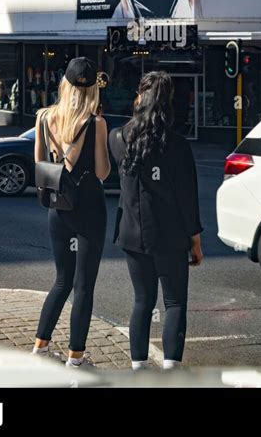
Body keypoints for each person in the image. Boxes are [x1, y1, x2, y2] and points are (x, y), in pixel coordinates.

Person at [108, 71, 203, 371]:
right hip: (171, 236)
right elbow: (187, 199)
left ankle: (138, 367)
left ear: (139, 99)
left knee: (142, 301)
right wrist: (195, 240)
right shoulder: (177, 145)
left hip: (132, 234)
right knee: (174, 303)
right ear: (167, 103)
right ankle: (171, 368)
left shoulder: (117, 138)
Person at [32, 57, 111, 367]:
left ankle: (40, 347)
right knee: (84, 286)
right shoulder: (96, 123)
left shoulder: (43, 118)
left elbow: (40, 164)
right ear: (92, 90)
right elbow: (103, 172)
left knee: (62, 280)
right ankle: (75, 358)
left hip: (58, 209)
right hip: (90, 209)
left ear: (63, 84)